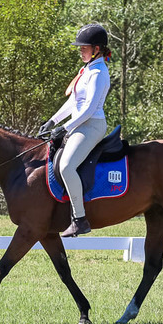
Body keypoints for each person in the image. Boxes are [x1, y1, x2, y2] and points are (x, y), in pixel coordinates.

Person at [39, 23, 112, 237]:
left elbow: (89, 108)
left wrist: (65, 127)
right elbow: (73, 102)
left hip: (91, 125)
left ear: (96, 49)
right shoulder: (87, 70)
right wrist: (52, 121)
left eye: (84, 47)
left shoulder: (98, 72)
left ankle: (79, 219)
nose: (80, 50)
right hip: (79, 124)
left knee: (67, 167)